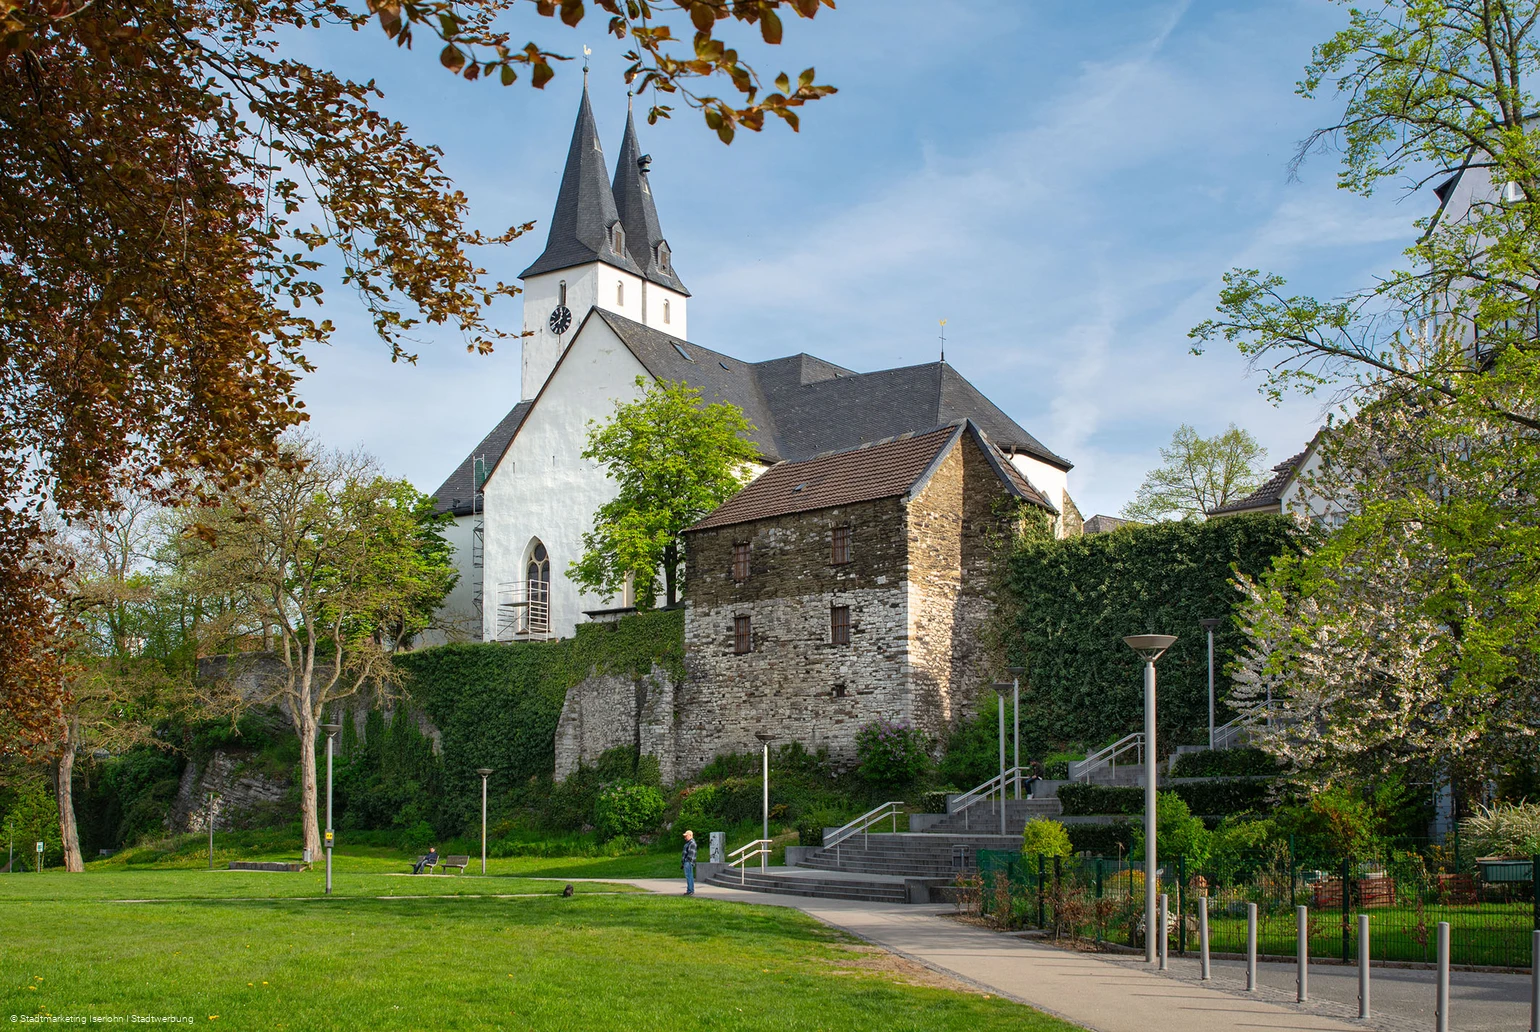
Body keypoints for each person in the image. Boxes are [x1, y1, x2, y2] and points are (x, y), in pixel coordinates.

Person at [681, 830, 697, 895]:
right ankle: (689, 890)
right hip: (686, 862)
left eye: (686, 836)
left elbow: (690, 854)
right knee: (689, 876)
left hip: (688, 862)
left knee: (689, 876)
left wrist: (686, 861)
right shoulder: (688, 843)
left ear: (690, 835)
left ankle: (690, 890)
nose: (685, 837)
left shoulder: (692, 843)